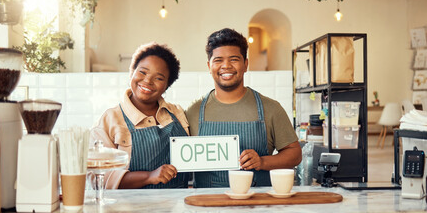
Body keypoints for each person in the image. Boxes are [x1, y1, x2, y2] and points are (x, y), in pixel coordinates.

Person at [186, 28, 302, 188]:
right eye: (218, 60)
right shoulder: (193, 111)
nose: (226, 66)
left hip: (257, 204)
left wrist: (262, 161)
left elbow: (295, 154)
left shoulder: (271, 108)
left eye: (234, 59)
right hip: (206, 204)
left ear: (246, 64)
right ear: (209, 66)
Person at [90, 42, 190, 189]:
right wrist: (149, 177)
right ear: (132, 72)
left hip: (177, 206)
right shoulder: (110, 119)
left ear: (167, 85)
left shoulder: (177, 113)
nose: (148, 81)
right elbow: (98, 176)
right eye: (142, 72)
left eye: (159, 78)